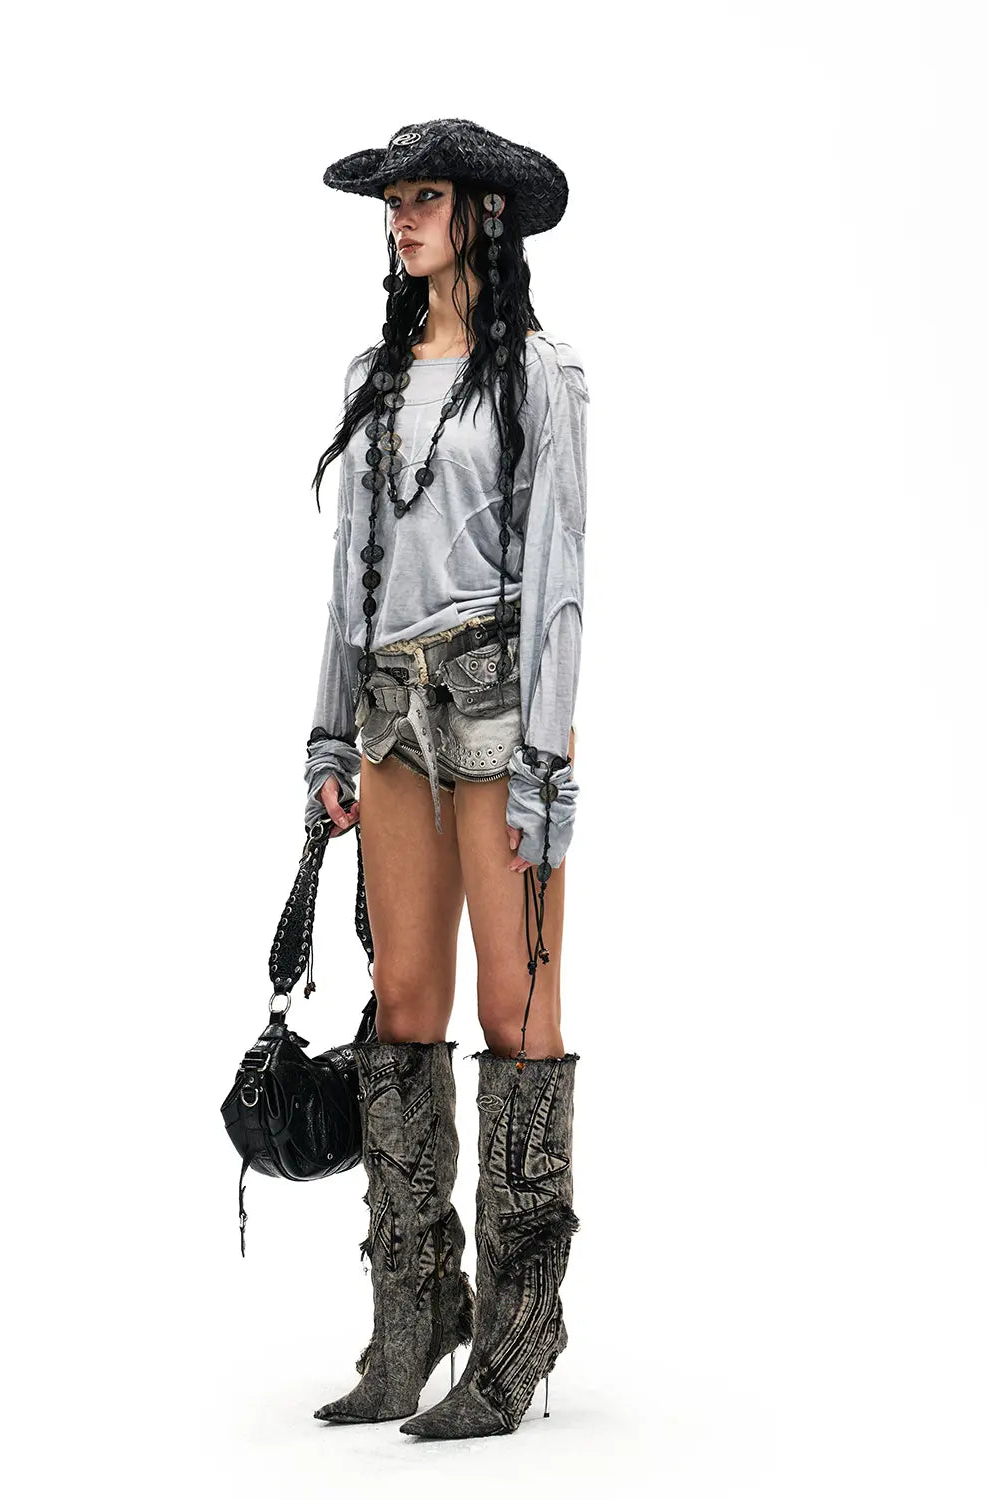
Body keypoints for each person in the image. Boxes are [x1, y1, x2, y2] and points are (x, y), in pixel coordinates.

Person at [303, 120, 587, 1439]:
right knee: (403, 1002)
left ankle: (522, 1331)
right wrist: (326, 738)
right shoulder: (374, 376)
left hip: (494, 710)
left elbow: (561, 580)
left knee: (516, 1002)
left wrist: (548, 762)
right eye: (394, 201)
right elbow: (346, 585)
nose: (400, 219)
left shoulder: (539, 377)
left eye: (424, 197)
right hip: (388, 717)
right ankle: (414, 1313)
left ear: (482, 215)